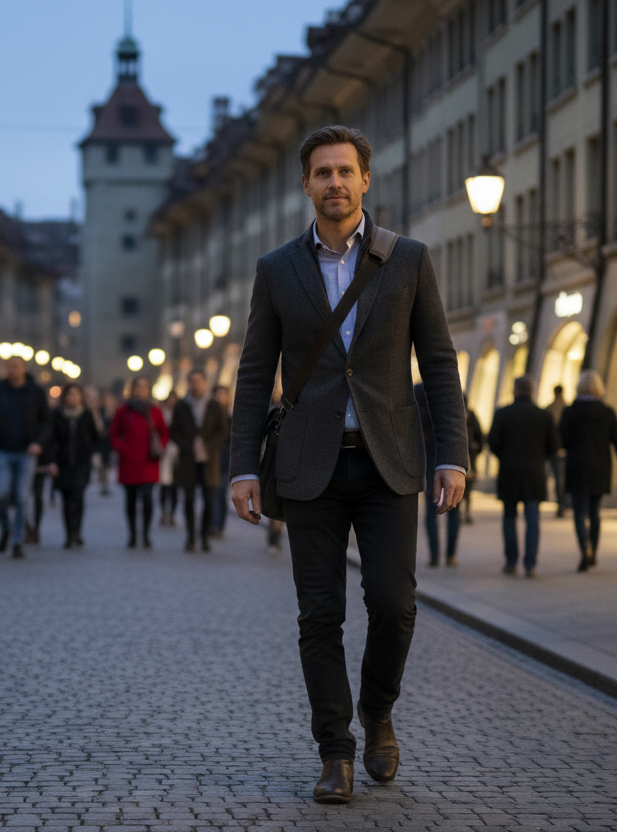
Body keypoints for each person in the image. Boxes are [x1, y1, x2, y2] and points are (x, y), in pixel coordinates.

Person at [228, 127, 468, 803]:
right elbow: (253, 375)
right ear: (305, 185)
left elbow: (440, 364)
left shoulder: (408, 259)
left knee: (394, 604)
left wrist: (452, 452)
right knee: (319, 616)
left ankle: (379, 710)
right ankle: (335, 752)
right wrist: (243, 466)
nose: (334, 183)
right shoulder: (277, 269)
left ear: (366, 180)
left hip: (389, 462)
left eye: (346, 172)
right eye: (322, 173)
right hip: (310, 466)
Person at [560, 370, 617, 572]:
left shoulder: (570, 412)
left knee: (579, 511)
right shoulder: (607, 412)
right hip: (600, 467)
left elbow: (563, 440)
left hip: (577, 465)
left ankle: (584, 548)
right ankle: (594, 550)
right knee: (594, 511)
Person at [487, 375, 558, 578]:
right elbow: (554, 446)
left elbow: (493, 442)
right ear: (532, 391)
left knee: (509, 516)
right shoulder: (544, 416)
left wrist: (505, 456)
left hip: (509, 470)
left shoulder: (502, 413)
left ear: (515, 390)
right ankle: (530, 564)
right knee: (532, 519)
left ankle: (511, 561)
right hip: (535, 471)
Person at [0, 356, 50, 559]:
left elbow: (46, 421)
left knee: (22, 498)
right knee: (0, 494)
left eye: (17, 366)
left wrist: (38, 442)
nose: (13, 369)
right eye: (10, 366)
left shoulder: (35, 392)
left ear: (24, 369)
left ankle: (17, 540)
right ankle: (6, 527)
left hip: (26, 453)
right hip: (3, 452)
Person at [169, 369, 230, 553]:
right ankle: (191, 537)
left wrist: (208, 445)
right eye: (192, 381)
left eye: (199, 380)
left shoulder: (214, 405)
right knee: (188, 500)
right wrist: (187, 445)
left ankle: (204, 535)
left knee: (209, 500)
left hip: (209, 460)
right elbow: (174, 431)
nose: (196, 384)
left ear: (205, 383)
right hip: (188, 460)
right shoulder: (181, 405)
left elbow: (223, 431)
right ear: (188, 383)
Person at [111, 376, 168, 549]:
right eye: (138, 387)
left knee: (148, 498)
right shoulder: (123, 410)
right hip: (129, 463)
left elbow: (164, 432)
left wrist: (161, 447)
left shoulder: (154, 410)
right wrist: (123, 448)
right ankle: (133, 535)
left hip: (149, 462)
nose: (141, 390)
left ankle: (146, 534)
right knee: (131, 499)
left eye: (144, 387)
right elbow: (113, 434)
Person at [49, 384, 101, 548]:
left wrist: (89, 452)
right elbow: (51, 438)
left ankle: (77, 531)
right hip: (63, 463)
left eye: (76, 395)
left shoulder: (85, 414)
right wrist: (52, 461)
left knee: (77, 496)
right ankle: (69, 534)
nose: (72, 398)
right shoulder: (58, 415)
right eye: (70, 394)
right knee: (66, 499)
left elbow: (96, 436)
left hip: (81, 462)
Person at [415, 382, 460, 567]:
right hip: (450, 461)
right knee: (454, 508)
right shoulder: (451, 390)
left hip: (426, 460)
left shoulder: (416, 393)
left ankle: (434, 556)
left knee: (432, 509)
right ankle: (450, 556)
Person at [211, 384, 233, 537]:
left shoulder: (231, 417)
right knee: (212, 493)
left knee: (221, 492)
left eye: (223, 395)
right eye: (218, 395)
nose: (221, 398)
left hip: (226, 459)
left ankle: (219, 525)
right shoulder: (209, 416)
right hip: (212, 458)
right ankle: (212, 523)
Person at [157, 391, 180, 527]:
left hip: (177, 452)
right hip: (164, 452)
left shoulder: (180, 413)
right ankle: (163, 512)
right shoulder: (162, 413)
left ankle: (172, 513)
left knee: (174, 486)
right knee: (164, 486)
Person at [546, 385, 568, 518]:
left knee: (557, 478)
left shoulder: (550, 408)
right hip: (565, 449)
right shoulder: (568, 407)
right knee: (562, 479)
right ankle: (563, 503)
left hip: (554, 449)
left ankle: (561, 504)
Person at [462, 396, 484, 525]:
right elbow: (480, 436)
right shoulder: (471, 416)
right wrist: (476, 452)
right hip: (470, 457)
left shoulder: (453, 414)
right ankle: (466, 512)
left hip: (461, 458)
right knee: (468, 488)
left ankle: (459, 511)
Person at [96, 390, 118, 496]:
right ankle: (103, 483)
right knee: (102, 465)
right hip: (101, 442)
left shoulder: (115, 412)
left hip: (110, 443)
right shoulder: (100, 411)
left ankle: (106, 483)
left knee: (108, 465)